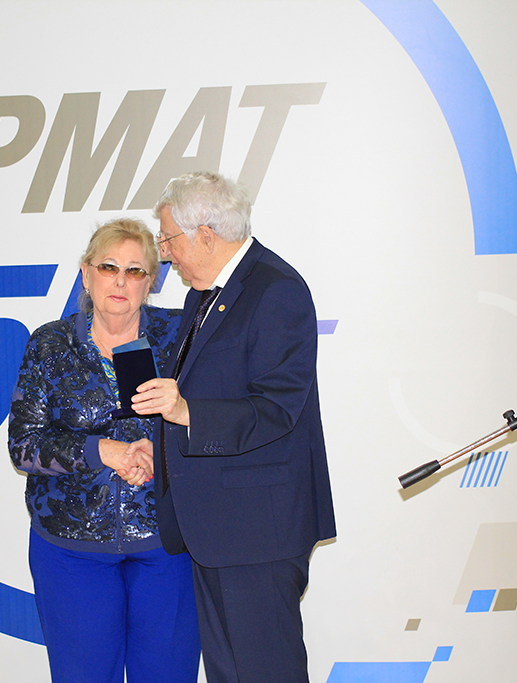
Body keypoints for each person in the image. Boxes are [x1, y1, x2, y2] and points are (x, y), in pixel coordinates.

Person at [132, 172, 336, 683]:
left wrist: (188, 412)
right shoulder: (205, 294)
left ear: (205, 235)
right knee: (229, 673)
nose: (164, 254)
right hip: (215, 530)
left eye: (168, 239)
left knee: (266, 672)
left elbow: (278, 407)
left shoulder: (276, 291)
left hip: (258, 532)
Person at [8, 217, 200, 683]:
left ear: (152, 282)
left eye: (135, 271)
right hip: (71, 550)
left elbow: (213, 418)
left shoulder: (182, 336)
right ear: (85, 274)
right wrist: (102, 451)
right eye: (109, 267)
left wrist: (163, 451)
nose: (120, 281)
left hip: (169, 544)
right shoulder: (50, 343)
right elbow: (24, 446)